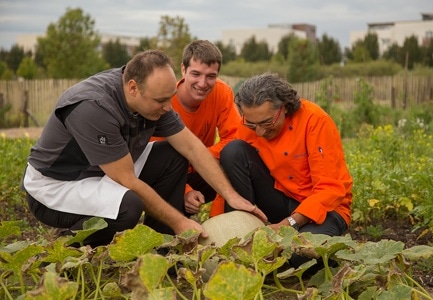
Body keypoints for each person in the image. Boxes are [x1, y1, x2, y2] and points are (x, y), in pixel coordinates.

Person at [21, 49, 267, 248]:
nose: (167, 107)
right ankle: (65, 249)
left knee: (173, 155)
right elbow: (127, 180)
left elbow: (192, 147)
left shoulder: (153, 98)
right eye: (161, 101)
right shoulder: (93, 107)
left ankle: (160, 246)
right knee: (128, 206)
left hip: (104, 171)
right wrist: (181, 221)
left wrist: (232, 195)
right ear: (132, 88)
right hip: (56, 186)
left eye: (169, 98)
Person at [219, 72, 352, 269]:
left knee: (297, 258)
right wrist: (219, 225)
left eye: (267, 123)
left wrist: (286, 224)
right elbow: (231, 179)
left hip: (326, 209)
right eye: (251, 124)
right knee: (233, 151)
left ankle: (330, 249)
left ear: (285, 107)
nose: (259, 132)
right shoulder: (253, 123)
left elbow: (329, 189)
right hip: (282, 198)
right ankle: (241, 232)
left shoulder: (315, 120)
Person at [151, 40, 241, 216]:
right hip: (169, 176)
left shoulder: (222, 92)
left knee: (237, 154)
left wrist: (200, 159)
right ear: (183, 70)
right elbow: (154, 160)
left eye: (210, 76)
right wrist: (185, 191)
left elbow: (235, 138)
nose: (202, 83)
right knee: (164, 155)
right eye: (196, 74)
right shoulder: (165, 102)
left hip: (202, 170)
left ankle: (225, 219)